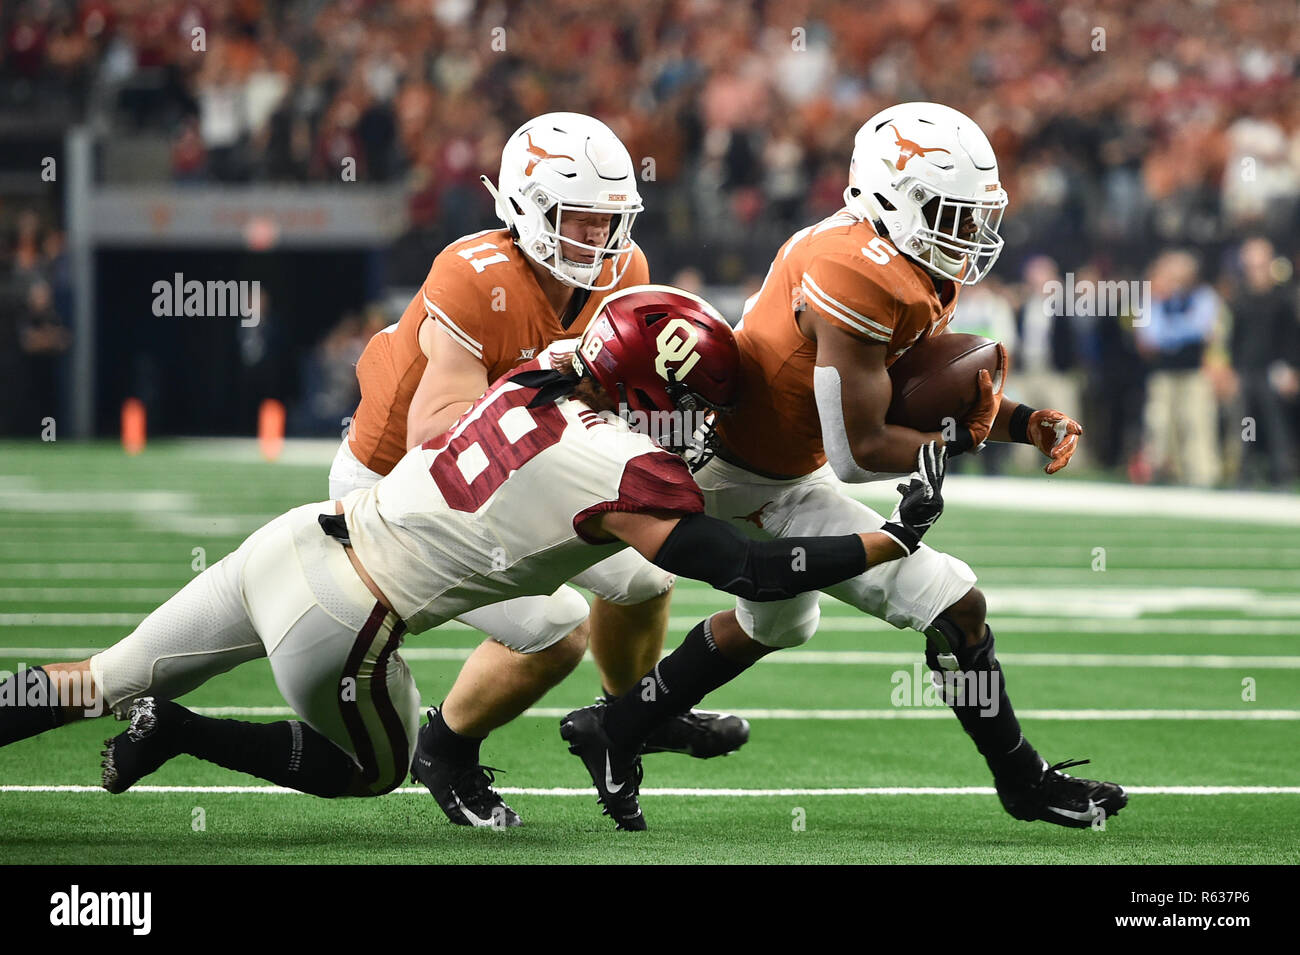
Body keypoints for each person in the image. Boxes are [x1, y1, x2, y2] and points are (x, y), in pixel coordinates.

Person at [0, 288, 945, 813]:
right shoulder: (621, 467)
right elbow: (749, 571)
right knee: (364, 773)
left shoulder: (532, 373)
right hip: (342, 623)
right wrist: (886, 536)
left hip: (287, 541)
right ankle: (182, 730)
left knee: (96, 676)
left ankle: (137, 709)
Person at [561, 103, 1126, 831]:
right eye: (951, 212)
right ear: (894, 199)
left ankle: (617, 725)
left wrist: (1025, 422)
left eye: (974, 213)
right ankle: (1024, 779)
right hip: (736, 475)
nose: (970, 232)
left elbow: (914, 382)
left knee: (780, 622)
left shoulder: (901, 258)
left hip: (778, 465)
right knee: (955, 602)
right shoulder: (855, 272)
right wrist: (964, 438)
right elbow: (859, 451)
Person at [332, 113, 748, 827]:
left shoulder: (626, 271)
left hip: (519, 468)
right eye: (577, 220)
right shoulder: (472, 274)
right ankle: (446, 747)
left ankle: (632, 713)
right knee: (557, 628)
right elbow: (433, 432)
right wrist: (550, 374)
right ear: (525, 208)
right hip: (407, 485)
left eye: (607, 221)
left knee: (647, 575)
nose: (597, 240)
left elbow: (614, 394)